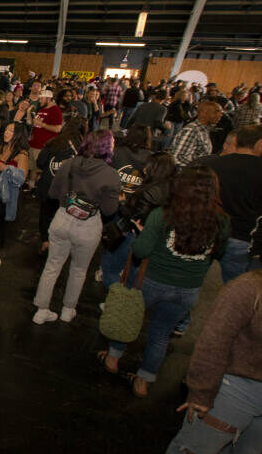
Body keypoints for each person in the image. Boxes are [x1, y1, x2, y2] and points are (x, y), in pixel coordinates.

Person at [151, 271, 262, 454]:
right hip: (236, 382)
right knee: (195, 450)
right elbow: (213, 340)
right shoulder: (248, 289)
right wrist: (201, 391)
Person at [100, 167, 230, 397]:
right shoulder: (221, 221)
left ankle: (112, 359)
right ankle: (144, 381)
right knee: (161, 334)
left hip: (153, 280)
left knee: (128, 316)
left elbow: (140, 250)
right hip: (188, 289)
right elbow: (218, 253)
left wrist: (144, 233)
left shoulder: (163, 214)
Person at [32, 130, 120, 325]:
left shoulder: (69, 164)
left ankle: (41, 310)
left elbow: (53, 193)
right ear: (107, 147)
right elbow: (109, 210)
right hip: (88, 225)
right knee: (79, 270)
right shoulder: (111, 175)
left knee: (52, 265)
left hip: (62, 218)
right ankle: (68, 310)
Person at [99, 151, 176, 288]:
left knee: (109, 268)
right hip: (153, 238)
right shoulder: (172, 188)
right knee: (131, 275)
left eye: (148, 166)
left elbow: (136, 218)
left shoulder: (149, 192)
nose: (145, 169)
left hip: (132, 236)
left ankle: (117, 301)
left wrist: (122, 203)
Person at [199, 125, 262, 283]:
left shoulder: (213, 165)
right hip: (243, 239)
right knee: (235, 288)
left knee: (193, 279)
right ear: (259, 144)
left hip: (207, 232)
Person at [35, 117, 88, 255]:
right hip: (67, 192)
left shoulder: (53, 142)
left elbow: (40, 162)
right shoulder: (82, 148)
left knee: (45, 215)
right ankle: (61, 246)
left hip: (48, 186)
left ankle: (46, 242)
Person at [0, 122, 30, 227]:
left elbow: (22, 178)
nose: (6, 133)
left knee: (1, 227)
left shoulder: (22, 154)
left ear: (18, 134)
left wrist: (6, 168)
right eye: (6, 130)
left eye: (11, 131)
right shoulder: (2, 147)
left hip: (8, 195)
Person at [27, 89, 62, 188]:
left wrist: (42, 124)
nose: (39, 100)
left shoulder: (56, 111)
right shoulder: (42, 109)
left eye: (41, 98)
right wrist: (29, 112)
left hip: (43, 146)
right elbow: (32, 123)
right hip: (34, 144)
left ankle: (38, 189)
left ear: (49, 99)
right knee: (33, 168)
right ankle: (31, 187)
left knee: (39, 169)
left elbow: (57, 129)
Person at [171, 100, 222, 166]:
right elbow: (178, 157)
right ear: (203, 113)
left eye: (221, 112)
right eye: (216, 112)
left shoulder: (203, 130)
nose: (220, 115)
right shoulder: (192, 130)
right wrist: (199, 169)